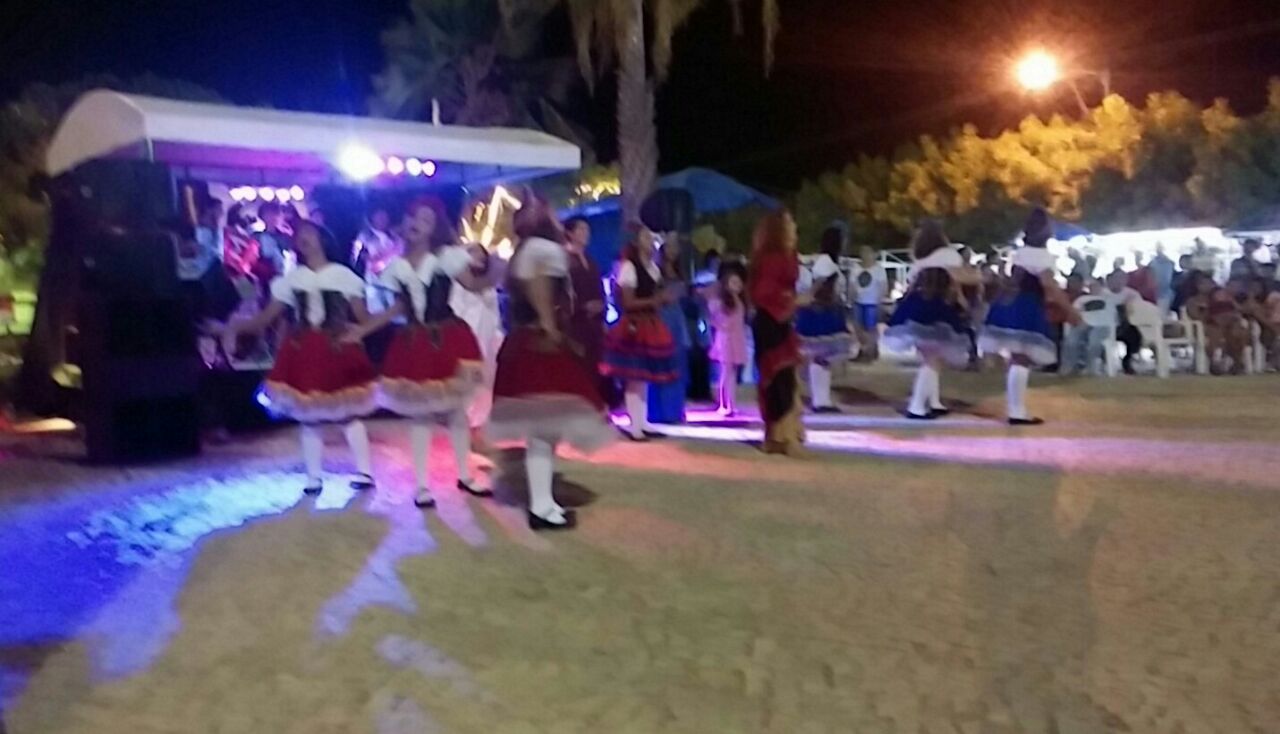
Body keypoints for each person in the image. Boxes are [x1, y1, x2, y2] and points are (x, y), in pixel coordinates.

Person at [222, 221, 379, 495]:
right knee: (309, 417)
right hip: (304, 350)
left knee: (347, 413)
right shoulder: (292, 280)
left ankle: (365, 472)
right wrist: (233, 327)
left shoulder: (343, 276)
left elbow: (363, 317)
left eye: (309, 233)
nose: (303, 238)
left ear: (322, 239)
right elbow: (264, 320)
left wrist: (368, 327)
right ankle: (313, 477)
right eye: (299, 235)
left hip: (337, 349)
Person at [487, 197, 614, 530]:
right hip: (541, 342)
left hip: (524, 341)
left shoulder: (524, 250)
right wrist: (550, 325)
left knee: (542, 427)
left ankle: (543, 502)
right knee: (545, 428)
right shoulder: (544, 249)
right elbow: (540, 285)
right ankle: (541, 507)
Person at [359, 197, 487, 508]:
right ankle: (421, 485)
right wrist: (363, 329)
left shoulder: (445, 258)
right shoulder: (395, 267)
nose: (417, 223)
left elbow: (473, 284)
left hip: (448, 338)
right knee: (420, 416)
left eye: (426, 220)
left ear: (434, 229)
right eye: (414, 216)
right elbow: (399, 307)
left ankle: (465, 474)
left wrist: (495, 266)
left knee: (455, 410)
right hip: (414, 343)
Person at [980, 209, 1076, 425]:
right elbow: (1049, 285)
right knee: (1022, 359)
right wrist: (1070, 310)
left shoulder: (1021, 253)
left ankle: (1016, 409)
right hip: (1028, 306)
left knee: (1017, 358)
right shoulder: (1042, 256)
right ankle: (1017, 411)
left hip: (1010, 303)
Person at [884, 220, 975, 420]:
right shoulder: (949, 255)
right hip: (938, 307)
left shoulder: (920, 259)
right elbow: (957, 280)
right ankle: (916, 406)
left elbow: (911, 285)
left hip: (916, 307)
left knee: (930, 357)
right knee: (933, 359)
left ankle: (934, 402)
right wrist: (974, 286)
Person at [602, 224, 679, 441]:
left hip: (650, 322)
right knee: (634, 376)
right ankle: (634, 425)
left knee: (644, 376)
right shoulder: (629, 267)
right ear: (636, 242)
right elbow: (627, 302)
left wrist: (663, 299)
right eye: (645, 237)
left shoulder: (653, 267)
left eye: (651, 237)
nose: (650, 241)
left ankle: (642, 421)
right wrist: (655, 300)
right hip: (635, 324)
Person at [748, 210, 808, 455]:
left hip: (782, 321)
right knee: (777, 379)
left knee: (787, 377)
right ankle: (779, 436)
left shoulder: (789, 254)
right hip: (770, 322)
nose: (794, 225)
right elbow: (761, 293)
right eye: (789, 222)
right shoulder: (771, 258)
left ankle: (784, 434)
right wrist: (791, 301)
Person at [450, 242, 506, 441]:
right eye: (474, 252)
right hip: (467, 338)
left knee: (485, 384)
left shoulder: (489, 285)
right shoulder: (458, 281)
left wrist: (498, 336)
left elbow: (495, 313)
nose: (479, 257)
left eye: (482, 254)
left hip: (487, 339)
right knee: (467, 383)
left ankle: (478, 426)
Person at [795, 225, 853, 413]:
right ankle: (820, 399)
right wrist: (806, 300)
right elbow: (817, 287)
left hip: (827, 311)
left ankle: (822, 399)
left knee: (822, 357)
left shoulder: (828, 262)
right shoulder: (826, 262)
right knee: (821, 355)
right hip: (822, 312)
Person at [563, 217, 614, 408]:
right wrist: (582, 307)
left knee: (595, 366)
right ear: (570, 233)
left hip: (594, 324)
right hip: (575, 324)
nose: (586, 233)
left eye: (587, 229)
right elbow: (562, 293)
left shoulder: (590, 261)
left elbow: (599, 289)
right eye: (581, 229)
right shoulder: (565, 260)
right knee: (578, 367)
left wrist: (602, 310)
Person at [648, 233, 692, 425]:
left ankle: (675, 410)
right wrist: (662, 298)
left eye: (676, 247)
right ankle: (659, 411)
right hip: (661, 317)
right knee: (660, 362)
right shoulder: (655, 270)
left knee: (677, 362)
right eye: (670, 246)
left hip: (677, 318)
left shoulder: (680, 271)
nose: (673, 251)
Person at [706, 262, 749, 416]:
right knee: (725, 372)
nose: (737, 285)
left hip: (736, 338)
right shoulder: (721, 302)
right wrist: (722, 327)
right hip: (726, 339)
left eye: (739, 282)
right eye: (733, 282)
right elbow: (715, 320)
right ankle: (723, 404)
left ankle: (731, 403)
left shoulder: (740, 300)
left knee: (732, 372)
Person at [848, 244, 888, 360]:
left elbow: (883, 286)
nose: (865, 255)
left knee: (871, 328)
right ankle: (864, 349)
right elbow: (852, 285)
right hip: (858, 301)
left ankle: (869, 350)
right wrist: (850, 299)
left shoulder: (879, 269)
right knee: (858, 328)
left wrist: (880, 301)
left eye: (868, 252)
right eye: (863, 252)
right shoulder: (855, 268)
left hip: (872, 302)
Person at [1102, 271, 1145, 375]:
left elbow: (1140, 310)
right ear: (1109, 280)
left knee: (1134, 335)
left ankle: (1127, 360)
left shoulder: (1132, 294)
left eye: (1121, 279)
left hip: (1127, 325)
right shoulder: (1102, 294)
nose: (1118, 281)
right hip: (1105, 325)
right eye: (1116, 278)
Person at [1150, 244, 1176, 313]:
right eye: (1157, 249)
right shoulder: (1152, 264)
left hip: (1167, 294)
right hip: (1155, 294)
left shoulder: (1170, 263)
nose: (1159, 250)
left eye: (1160, 248)